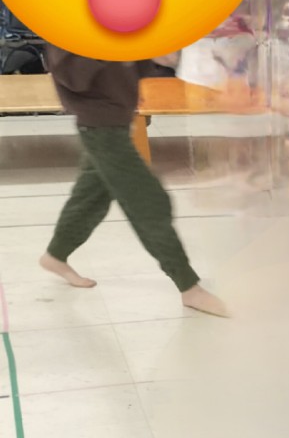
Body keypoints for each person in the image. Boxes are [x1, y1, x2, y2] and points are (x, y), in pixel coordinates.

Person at [40, 46, 228, 316]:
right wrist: (113, 51)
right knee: (148, 201)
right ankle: (188, 286)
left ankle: (56, 254)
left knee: (91, 197)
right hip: (99, 127)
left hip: (116, 120)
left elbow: (128, 63)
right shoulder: (68, 33)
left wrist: (152, 57)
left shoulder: (108, 30)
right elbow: (72, 77)